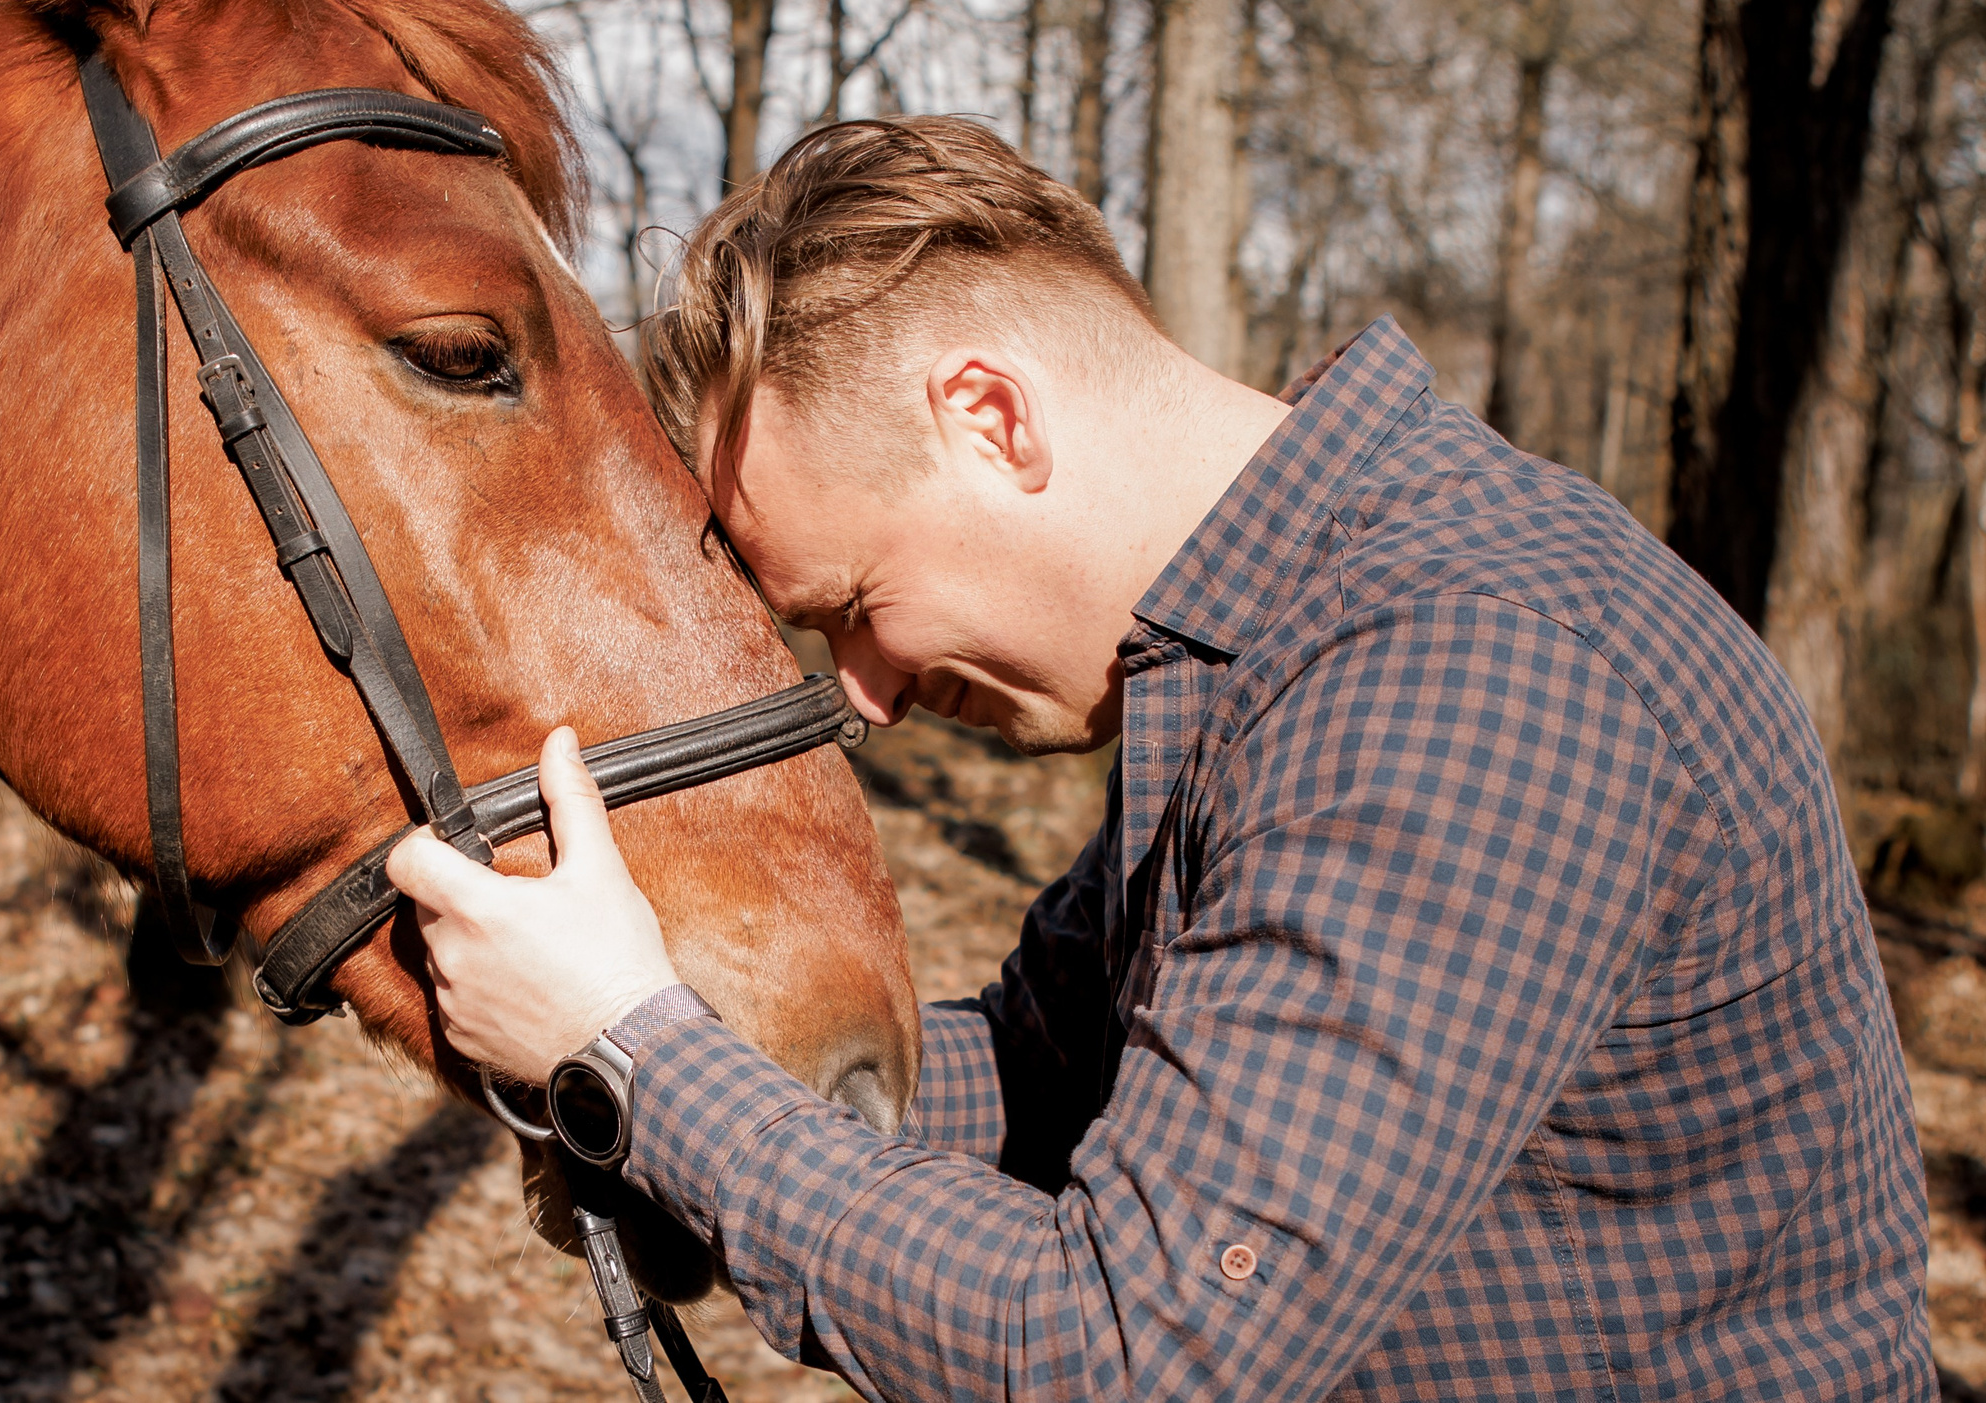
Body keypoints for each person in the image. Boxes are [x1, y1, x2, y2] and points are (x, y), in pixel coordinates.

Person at [384, 116, 1932, 1400]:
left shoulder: (1461, 667)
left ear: (989, 417)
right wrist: (642, 1057)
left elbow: (1134, 1356)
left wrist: (650, 1061)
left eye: (854, 607)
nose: (863, 697)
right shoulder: (1260, 655)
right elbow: (1040, 1077)